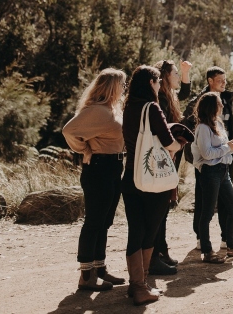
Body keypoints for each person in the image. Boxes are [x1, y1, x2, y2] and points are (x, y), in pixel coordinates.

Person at [121, 65, 184, 305]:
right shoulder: (153, 108)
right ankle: (141, 286)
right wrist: (179, 142)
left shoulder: (128, 108)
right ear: (151, 83)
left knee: (134, 230)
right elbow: (169, 143)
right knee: (150, 230)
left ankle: (135, 284)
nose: (160, 86)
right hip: (153, 179)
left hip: (131, 177)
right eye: (158, 82)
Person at [62, 68, 128, 292]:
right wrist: (85, 148)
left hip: (113, 166)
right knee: (94, 222)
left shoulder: (112, 109)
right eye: (122, 84)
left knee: (105, 221)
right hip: (99, 167)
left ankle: (100, 269)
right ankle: (86, 277)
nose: (124, 88)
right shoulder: (98, 111)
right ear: (112, 86)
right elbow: (69, 130)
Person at [184, 66, 233, 250]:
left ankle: (228, 238)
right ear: (210, 80)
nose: (224, 83)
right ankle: (201, 239)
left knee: (227, 201)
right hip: (206, 163)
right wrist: (195, 153)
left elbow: (229, 125)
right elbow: (189, 127)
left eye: (225, 80)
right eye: (220, 80)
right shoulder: (198, 102)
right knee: (204, 201)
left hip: (226, 157)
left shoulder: (226, 99)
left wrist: (231, 147)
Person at [191, 92, 233, 263]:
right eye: (219, 104)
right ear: (212, 106)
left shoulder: (218, 123)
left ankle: (231, 246)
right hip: (210, 172)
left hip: (223, 171)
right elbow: (207, 154)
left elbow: (222, 148)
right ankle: (208, 252)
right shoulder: (202, 128)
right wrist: (228, 147)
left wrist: (232, 147)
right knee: (208, 213)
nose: (222, 106)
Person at [148, 59, 192, 275]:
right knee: (160, 207)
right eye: (175, 73)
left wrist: (185, 72)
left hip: (171, 156)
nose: (177, 77)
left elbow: (184, 93)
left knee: (164, 207)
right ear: (165, 76)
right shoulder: (162, 100)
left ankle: (161, 250)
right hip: (165, 158)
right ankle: (155, 254)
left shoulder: (169, 96)